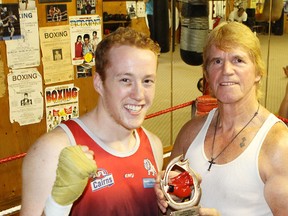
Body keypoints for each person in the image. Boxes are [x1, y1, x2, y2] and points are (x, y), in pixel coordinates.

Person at [20, 27, 162, 216]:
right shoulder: (53, 150)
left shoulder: (153, 145)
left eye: (147, 81)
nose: (139, 95)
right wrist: (58, 204)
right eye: (125, 80)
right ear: (98, 83)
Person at [155, 22, 288, 216]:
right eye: (216, 61)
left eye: (238, 60)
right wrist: (170, 199)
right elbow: (169, 207)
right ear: (207, 74)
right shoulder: (190, 133)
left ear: (258, 72)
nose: (226, 70)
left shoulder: (278, 146)